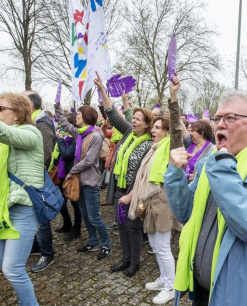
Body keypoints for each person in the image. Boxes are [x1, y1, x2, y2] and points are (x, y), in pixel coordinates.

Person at [164, 89, 247, 305]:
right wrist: (174, 174)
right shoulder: (214, 162)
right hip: (202, 292)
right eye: (218, 118)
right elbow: (184, 212)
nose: (219, 125)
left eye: (230, 118)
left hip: (242, 297)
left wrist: (223, 168)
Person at [94, 72, 153, 277]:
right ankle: (125, 259)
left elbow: (144, 176)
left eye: (138, 119)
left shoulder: (149, 145)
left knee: (133, 228)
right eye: (133, 118)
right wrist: (102, 89)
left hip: (134, 194)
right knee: (121, 226)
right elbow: (112, 113)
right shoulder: (127, 132)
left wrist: (131, 195)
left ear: (147, 124)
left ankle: (135, 263)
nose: (134, 121)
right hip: (119, 190)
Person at [0, 93, 44, 305]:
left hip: (23, 209)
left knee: (13, 268)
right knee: (3, 263)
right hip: (4, 209)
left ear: (17, 114)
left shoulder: (31, 133)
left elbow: (7, 134)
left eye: (1, 108)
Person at [54, 101, 111, 261]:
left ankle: (106, 245)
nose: (76, 116)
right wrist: (57, 106)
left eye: (78, 114)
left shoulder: (96, 136)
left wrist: (71, 171)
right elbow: (64, 123)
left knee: (94, 217)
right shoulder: (80, 133)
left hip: (90, 182)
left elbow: (89, 160)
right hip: (80, 181)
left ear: (86, 117)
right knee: (85, 215)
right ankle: (93, 242)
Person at [127, 116, 175, 304]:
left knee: (163, 247)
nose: (153, 130)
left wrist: (173, 97)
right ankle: (163, 279)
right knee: (155, 245)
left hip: (162, 201)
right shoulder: (154, 149)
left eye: (157, 127)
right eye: (153, 127)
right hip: (151, 200)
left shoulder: (170, 145)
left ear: (167, 132)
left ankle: (170, 287)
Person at [22, 91, 56, 273]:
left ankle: (47, 253)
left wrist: (30, 172)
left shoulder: (42, 124)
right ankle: (36, 247)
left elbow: (45, 153)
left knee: (41, 217)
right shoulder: (28, 123)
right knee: (31, 214)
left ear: (31, 105)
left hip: (35, 178)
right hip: (26, 178)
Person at [50, 113, 82, 241]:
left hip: (71, 174)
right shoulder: (65, 136)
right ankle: (67, 223)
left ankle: (76, 228)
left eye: (63, 124)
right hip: (62, 174)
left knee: (75, 203)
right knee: (61, 201)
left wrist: (60, 140)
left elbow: (67, 154)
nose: (61, 126)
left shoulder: (74, 137)